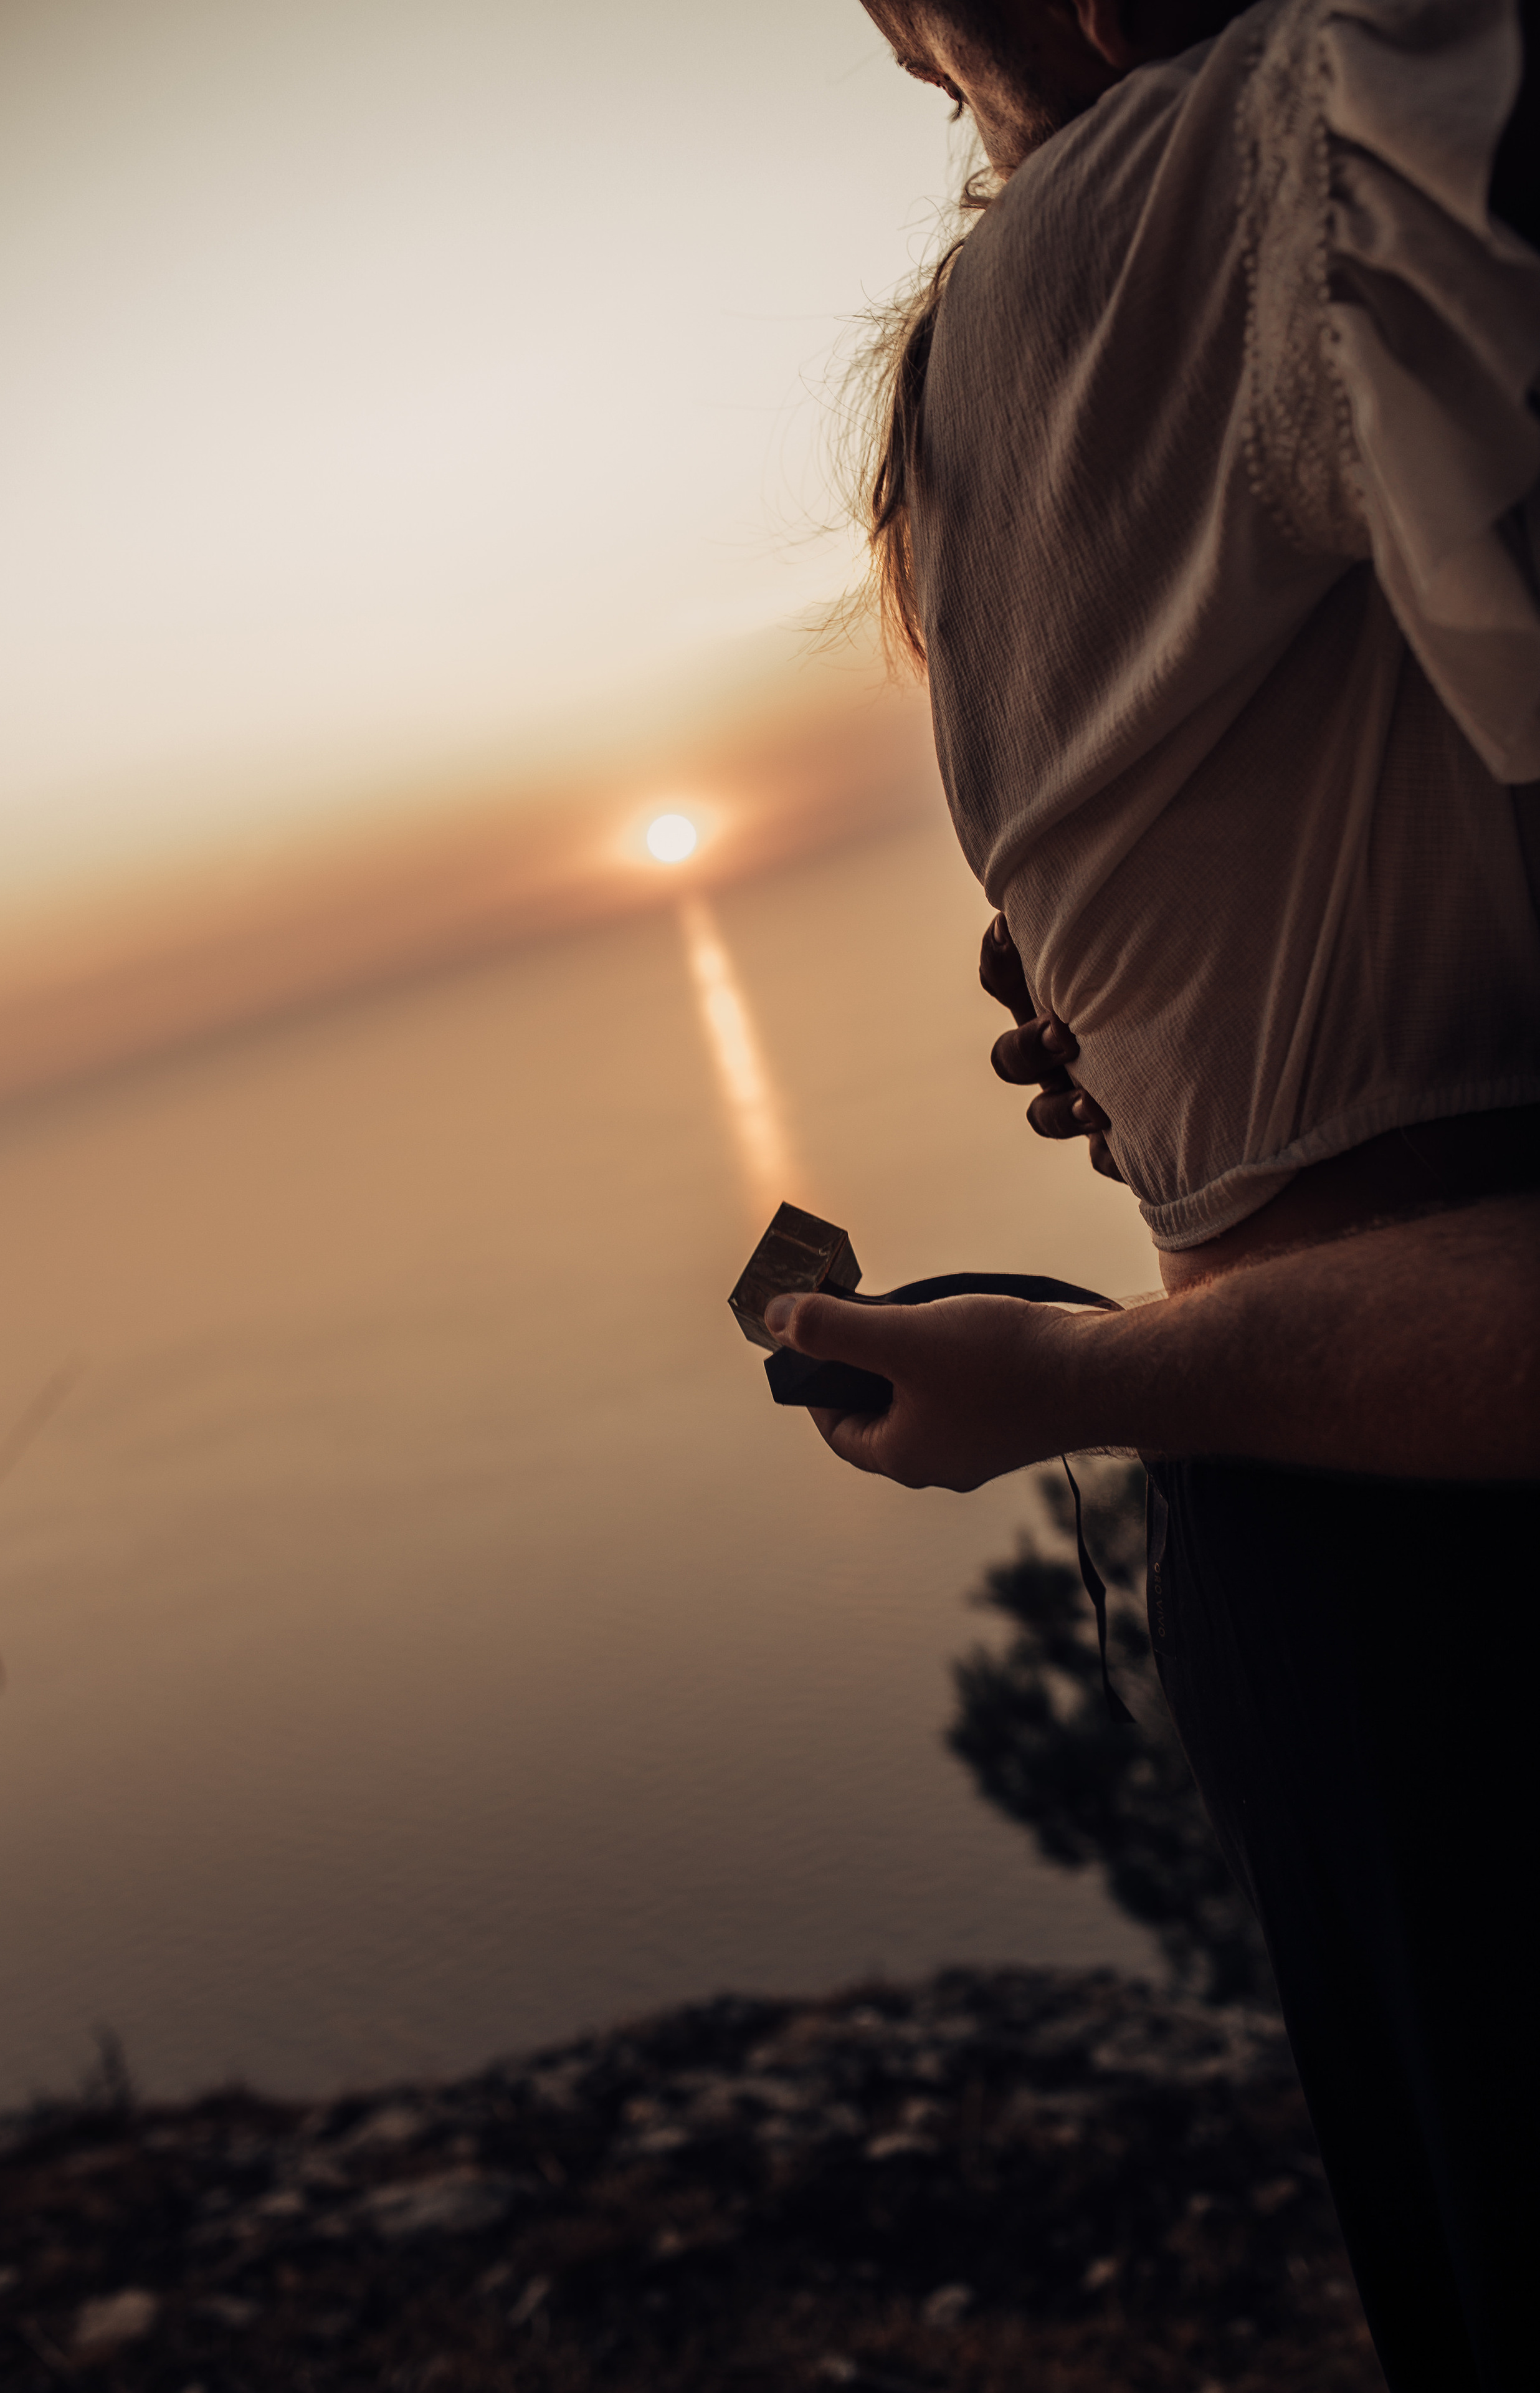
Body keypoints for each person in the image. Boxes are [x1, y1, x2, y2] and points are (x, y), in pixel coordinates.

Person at [762, 4, 1540, 2387]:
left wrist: (1121, 1312)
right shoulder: (1262, 167)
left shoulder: (981, 382)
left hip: (1345, 1598)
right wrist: (1087, 1362)